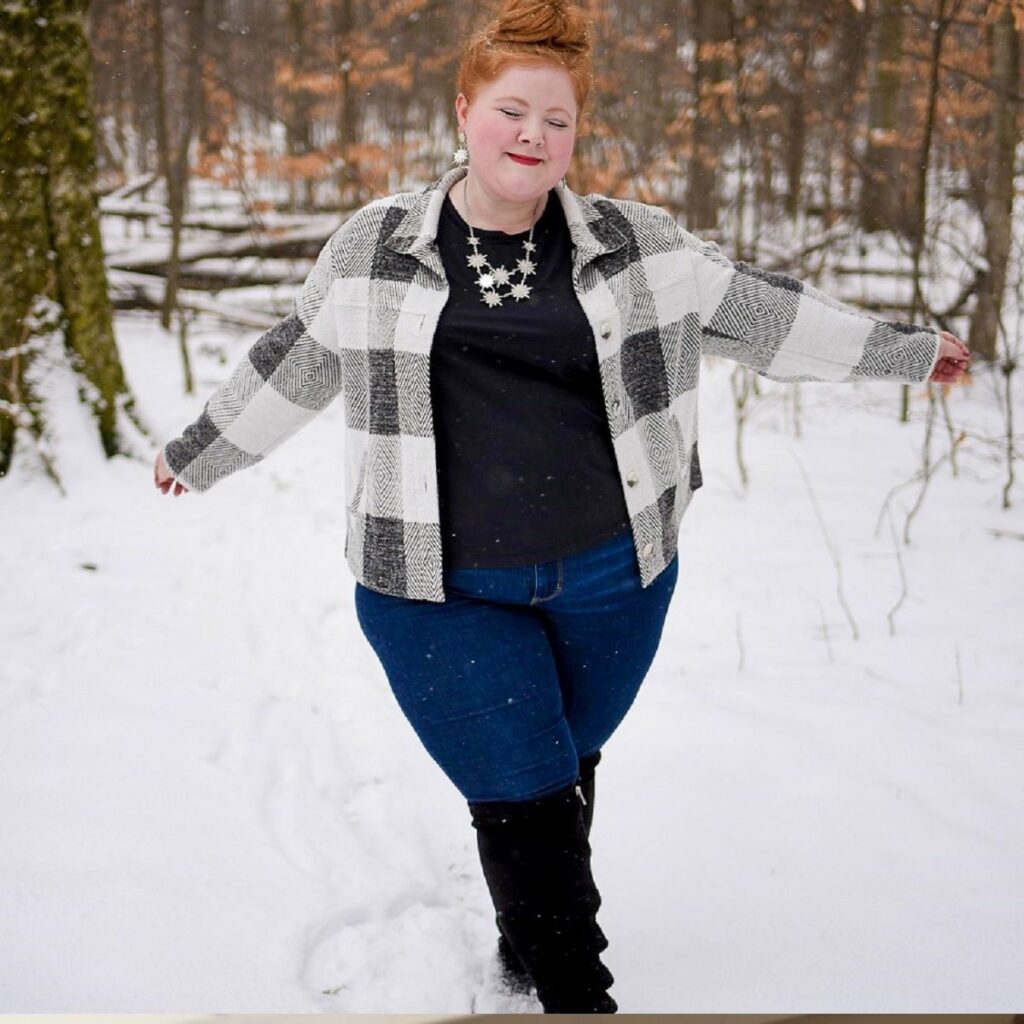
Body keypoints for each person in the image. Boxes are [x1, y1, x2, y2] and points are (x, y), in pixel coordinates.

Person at [154, 0, 970, 1012]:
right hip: (434, 586)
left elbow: (759, 312)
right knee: (529, 791)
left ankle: (521, 935)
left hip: (611, 577)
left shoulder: (639, 246)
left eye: (557, 121)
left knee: (558, 775)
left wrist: (904, 349)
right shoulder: (375, 246)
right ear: (463, 110)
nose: (533, 137)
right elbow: (300, 356)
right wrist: (202, 450)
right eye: (510, 111)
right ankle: (576, 991)